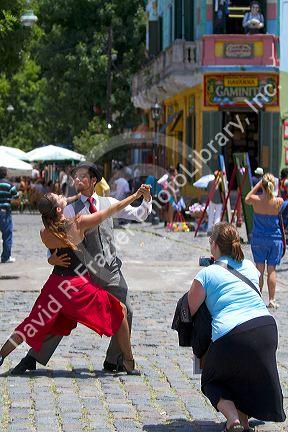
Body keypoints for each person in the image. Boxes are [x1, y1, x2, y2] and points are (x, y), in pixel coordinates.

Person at [13, 162, 152, 375]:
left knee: (126, 311)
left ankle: (114, 360)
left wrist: (146, 198)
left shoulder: (108, 202)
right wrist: (51, 259)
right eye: (75, 177)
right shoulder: (68, 208)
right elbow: (54, 236)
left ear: (94, 180)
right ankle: (33, 356)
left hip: (110, 269)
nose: (77, 180)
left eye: (82, 176)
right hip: (82, 273)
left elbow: (139, 215)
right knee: (60, 315)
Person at [188, 222, 285, 432]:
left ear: (214, 246)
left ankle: (232, 419)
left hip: (232, 335)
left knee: (211, 380)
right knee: (245, 374)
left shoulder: (207, 274)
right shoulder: (250, 266)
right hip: (266, 329)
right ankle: (244, 422)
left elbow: (190, 308)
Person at [245, 173, 284, 308]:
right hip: (274, 239)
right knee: (272, 269)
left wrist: (257, 185)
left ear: (263, 184)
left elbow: (247, 198)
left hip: (259, 239)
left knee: (259, 270)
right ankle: (272, 300)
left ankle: (258, 298)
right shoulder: (278, 201)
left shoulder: (256, 200)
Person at [0, 166, 19, 263]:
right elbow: (16, 195)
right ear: (5, 174)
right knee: (7, 234)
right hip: (4, 211)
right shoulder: (9, 184)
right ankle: (6, 257)